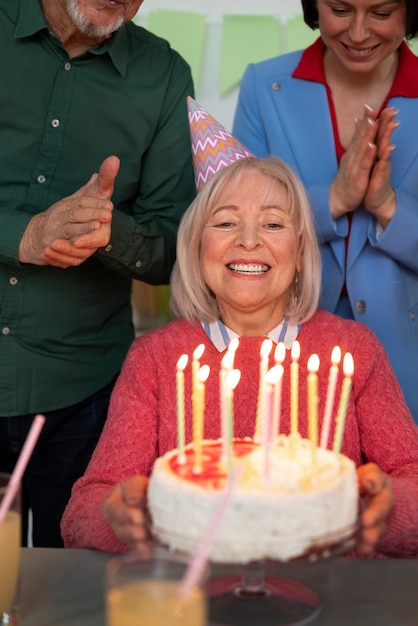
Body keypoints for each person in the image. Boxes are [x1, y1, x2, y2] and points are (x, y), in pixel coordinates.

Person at [61, 156, 418, 558]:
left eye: (273, 223)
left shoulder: (353, 350)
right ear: (197, 248)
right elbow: (85, 508)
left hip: (332, 595)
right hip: (194, 599)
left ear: (300, 251)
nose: (249, 240)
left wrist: (387, 507)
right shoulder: (155, 358)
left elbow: (413, 480)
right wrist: (118, 518)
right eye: (226, 222)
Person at [0, 0, 196, 547]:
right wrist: (24, 235)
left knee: (72, 591)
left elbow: (172, 252)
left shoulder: (164, 76)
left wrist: (109, 232)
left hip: (82, 395)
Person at [232, 0, 418, 425]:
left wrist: (388, 206)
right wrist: (332, 198)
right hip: (281, 360)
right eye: (339, 8)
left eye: (382, 13)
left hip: (408, 372)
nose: (357, 33)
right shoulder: (265, 86)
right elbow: (237, 237)